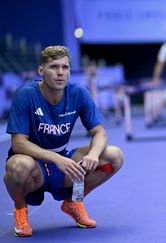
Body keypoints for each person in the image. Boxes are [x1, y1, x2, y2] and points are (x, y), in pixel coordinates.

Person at [3, 46, 124, 237]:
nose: (60, 73)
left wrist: (92, 154)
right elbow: (18, 144)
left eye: (65, 67)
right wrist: (56, 159)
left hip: (64, 162)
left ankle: (73, 202)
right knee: (17, 166)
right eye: (54, 67)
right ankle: (20, 211)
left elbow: (99, 132)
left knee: (113, 156)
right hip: (34, 166)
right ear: (41, 71)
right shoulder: (25, 95)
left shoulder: (78, 93)